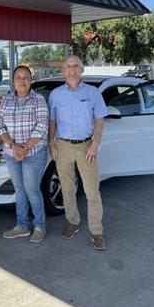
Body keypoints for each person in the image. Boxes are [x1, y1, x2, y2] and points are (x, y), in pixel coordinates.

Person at [48, 55, 109, 250]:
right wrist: (51, 143)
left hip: (86, 146)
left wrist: (95, 144)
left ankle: (96, 232)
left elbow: (99, 120)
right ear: (63, 70)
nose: (72, 69)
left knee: (92, 191)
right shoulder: (55, 95)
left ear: (81, 69)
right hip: (63, 146)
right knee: (67, 188)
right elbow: (52, 122)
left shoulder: (93, 93)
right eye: (68, 66)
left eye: (76, 65)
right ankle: (73, 222)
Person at [0, 66, 49, 243]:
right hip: (12, 153)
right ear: (13, 80)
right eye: (18, 77)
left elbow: (42, 126)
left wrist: (23, 148)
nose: (22, 80)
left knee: (32, 190)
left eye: (26, 77)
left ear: (31, 80)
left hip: (33, 153)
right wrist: (12, 146)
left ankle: (40, 225)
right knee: (19, 190)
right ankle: (23, 226)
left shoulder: (38, 100)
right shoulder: (6, 100)